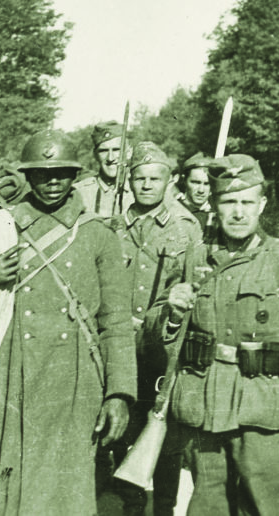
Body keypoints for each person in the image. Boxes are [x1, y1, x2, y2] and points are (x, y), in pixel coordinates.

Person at [0, 130, 137, 516]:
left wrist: (119, 394)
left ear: (75, 175)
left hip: (75, 383)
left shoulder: (97, 235)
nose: (52, 181)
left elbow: (117, 323)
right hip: (10, 376)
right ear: (27, 175)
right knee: (8, 486)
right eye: (42, 173)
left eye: (62, 172)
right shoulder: (0, 226)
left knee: (67, 493)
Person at [157, 154, 279, 515]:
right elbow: (162, 330)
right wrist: (171, 313)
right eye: (229, 202)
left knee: (264, 507)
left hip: (264, 414)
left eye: (246, 202)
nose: (238, 212)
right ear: (214, 206)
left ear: (262, 205)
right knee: (207, 506)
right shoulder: (195, 258)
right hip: (205, 410)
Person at [101, 142, 201, 516]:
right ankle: (128, 503)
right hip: (119, 344)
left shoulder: (185, 227)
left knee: (164, 436)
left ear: (170, 181)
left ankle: (164, 507)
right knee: (120, 431)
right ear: (128, 181)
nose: (146, 185)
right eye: (139, 178)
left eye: (155, 178)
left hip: (163, 346)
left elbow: (192, 290)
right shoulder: (113, 224)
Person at [74, 121, 133, 216]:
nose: (110, 158)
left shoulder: (142, 189)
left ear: (129, 152)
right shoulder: (79, 193)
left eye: (116, 150)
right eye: (104, 151)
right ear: (95, 155)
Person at [176, 152, 213, 236]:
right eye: (195, 182)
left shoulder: (217, 214)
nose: (201, 190)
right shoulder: (172, 208)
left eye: (207, 184)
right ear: (184, 181)